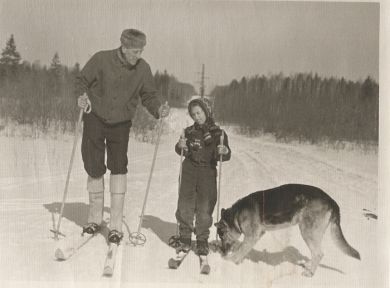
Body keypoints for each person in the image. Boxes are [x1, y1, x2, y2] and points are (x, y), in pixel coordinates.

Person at [75, 28, 170, 245]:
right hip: (95, 118)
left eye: (141, 51)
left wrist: (158, 110)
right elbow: (81, 80)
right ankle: (94, 219)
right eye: (135, 51)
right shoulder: (101, 59)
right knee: (93, 165)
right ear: (124, 47)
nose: (139, 55)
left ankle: (115, 225)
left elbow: (149, 95)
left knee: (118, 167)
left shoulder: (143, 68)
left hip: (121, 124)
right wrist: (81, 97)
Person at [174, 97, 231, 256]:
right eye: (193, 114)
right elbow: (181, 150)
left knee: (205, 206)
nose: (196, 117)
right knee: (185, 203)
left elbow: (226, 153)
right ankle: (184, 236)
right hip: (189, 170)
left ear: (207, 112)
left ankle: (201, 240)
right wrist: (180, 146)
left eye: (199, 113)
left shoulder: (219, 133)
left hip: (207, 171)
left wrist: (224, 151)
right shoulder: (189, 132)